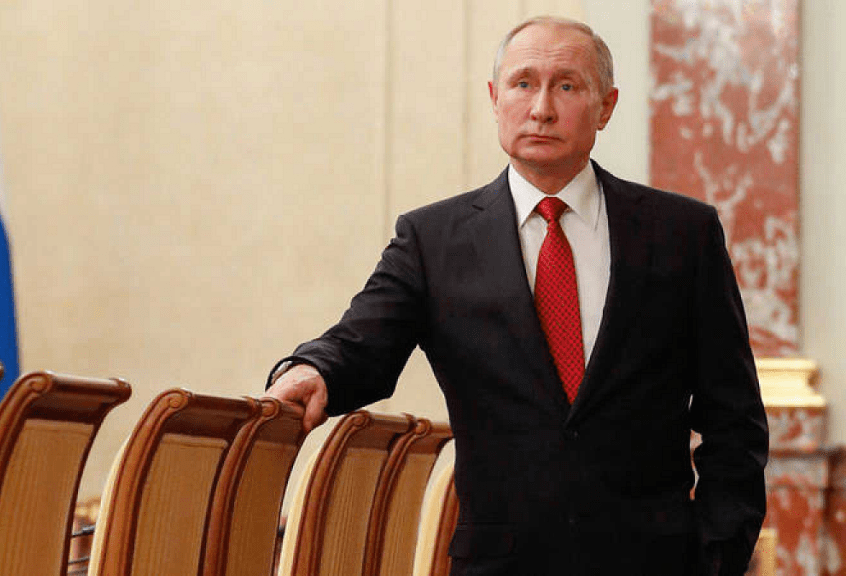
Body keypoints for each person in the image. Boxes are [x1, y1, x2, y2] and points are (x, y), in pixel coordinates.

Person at [265, 15, 768, 576]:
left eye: (567, 86)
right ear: (494, 97)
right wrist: (312, 369)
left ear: (606, 106)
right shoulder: (433, 240)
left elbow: (735, 418)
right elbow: (361, 343)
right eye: (523, 83)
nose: (541, 108)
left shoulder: (683, 234)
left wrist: (716, 557)